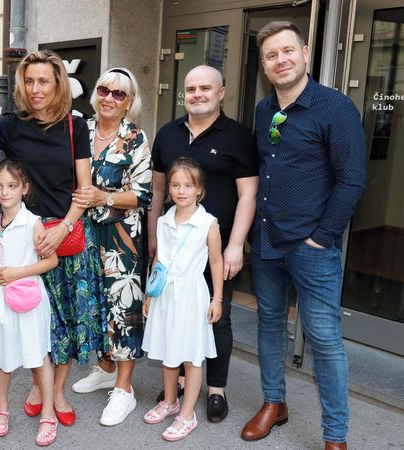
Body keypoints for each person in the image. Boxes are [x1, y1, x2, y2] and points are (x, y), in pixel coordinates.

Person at [241, 21, 366, 450]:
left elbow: (352, 179)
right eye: (271, 55)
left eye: (287, 51)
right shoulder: (264, 110)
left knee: (325, 340)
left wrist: (323, 236)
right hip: (267, 240)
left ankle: (335, 437)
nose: (281, 60)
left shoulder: (335, 107)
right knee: (269, 323)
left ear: (305, 52)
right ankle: (274, 403)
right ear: (263, 65)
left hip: (311, 246)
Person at [0, 49, 107, 427]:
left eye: (43, 80)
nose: (36, 88)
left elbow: (85, 189)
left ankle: (57, 391)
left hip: (68, 232)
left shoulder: (75, 126)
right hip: (26, 236)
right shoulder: (10, 126)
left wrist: (61, 227)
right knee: (33, 318)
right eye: (29, 81)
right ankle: (37, 384)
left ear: (58, 83)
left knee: (69, 320)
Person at [148, 65, 258, 422]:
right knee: (175, 312)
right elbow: (158, 190)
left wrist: (235, 244)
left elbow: (248, 194)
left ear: (221, 93)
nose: (197, 94)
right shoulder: (167, 134)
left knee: (217, 317)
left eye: (205, 88)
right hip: (175, 245)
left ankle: (216, 389)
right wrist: (153, 237)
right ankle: (180, 382)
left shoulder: (239, 136)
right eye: (191, 88)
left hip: (216, 248)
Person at [70, 68, 152, 426]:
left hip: (121, 237)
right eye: (104, 90)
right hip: (83, 232)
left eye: (119, 94)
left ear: (129, 102)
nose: (109, 98)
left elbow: (143, 194)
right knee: (95, 302)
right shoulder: (80, 129)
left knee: (123, 306)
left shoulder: (134, 137)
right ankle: (104, 368)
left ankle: (124, 388)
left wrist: (103, 197)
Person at [142, 156, 223, 442]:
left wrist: (217, 299)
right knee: (168, 351)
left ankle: (187, 415)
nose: (181, 191)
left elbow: (216, 262)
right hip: (166, 293)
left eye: (188, 185)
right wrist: (150, 295)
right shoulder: (164, 221)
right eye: (175, 185)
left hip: (191, 295)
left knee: (191, 357)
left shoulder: (208, 224)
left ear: (199, 189)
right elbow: (159, 261)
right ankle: (170, 401)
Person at [0, 159, 59, 446]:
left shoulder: (33, 222)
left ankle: (48, 414)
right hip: (0, 300)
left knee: (38, 356)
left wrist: (18, 273)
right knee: (1, 355)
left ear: (24, 188)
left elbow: (51, 260)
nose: (4, 192)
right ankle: (2, 409)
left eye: (11, 186)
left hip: (29, 299)